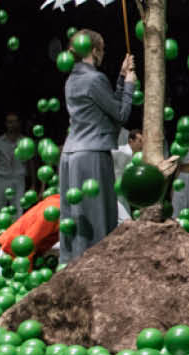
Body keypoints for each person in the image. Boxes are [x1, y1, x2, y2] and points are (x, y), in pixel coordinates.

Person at [58, 28, 135, 265]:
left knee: (77, 219)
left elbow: (106, 109)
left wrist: (122, 78)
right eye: (101, 50)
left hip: (71, 155)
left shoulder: (72, 79)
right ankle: (98, 270)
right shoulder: (95, 79)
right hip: (91, 154)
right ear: (93, 50)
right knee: (98, 217)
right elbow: (121, 114)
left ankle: (73, 267)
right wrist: (130, 85)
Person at [0, 112, 28, 213]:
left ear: (19, 123)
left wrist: (33, 184)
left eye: (15, 122)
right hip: (1, 179)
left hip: (19, 179)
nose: (12, 124)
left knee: (18, 210)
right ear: (6, 124)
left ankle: (17, 229)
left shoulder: (25, 142)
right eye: (9, 122)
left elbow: (31, 163)